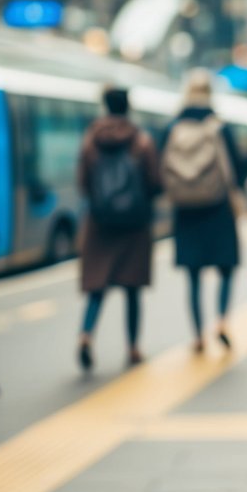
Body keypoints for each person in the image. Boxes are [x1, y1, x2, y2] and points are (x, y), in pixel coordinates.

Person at [76, 87, 160, 372]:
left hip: (100, 223)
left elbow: (83, 182)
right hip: (135, 225)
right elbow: (154, 181)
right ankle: (133, 347)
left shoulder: (91, 140)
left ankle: (86, 335)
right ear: (128, 107)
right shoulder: (141, 140)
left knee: (97, 288)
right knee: (132, 288)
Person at [161, 70, 244, 353]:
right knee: (226, 268)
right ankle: (221, 320)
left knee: (193, 276)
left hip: (186, 210)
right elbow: (238, 168)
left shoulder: (172, 127)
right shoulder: (219, 127)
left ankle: (197, 335)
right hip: (218, 208)